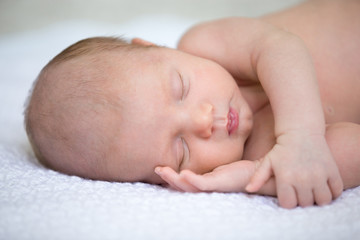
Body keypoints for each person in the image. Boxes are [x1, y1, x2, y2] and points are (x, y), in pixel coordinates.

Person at [24, 0, 360, 208]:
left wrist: (300, 135)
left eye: (180, 87)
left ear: (156, 47)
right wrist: (255, 179)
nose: (203, 120)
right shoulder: (256, 154)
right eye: (181, 148)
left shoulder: (204, 44)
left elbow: (281, 47)